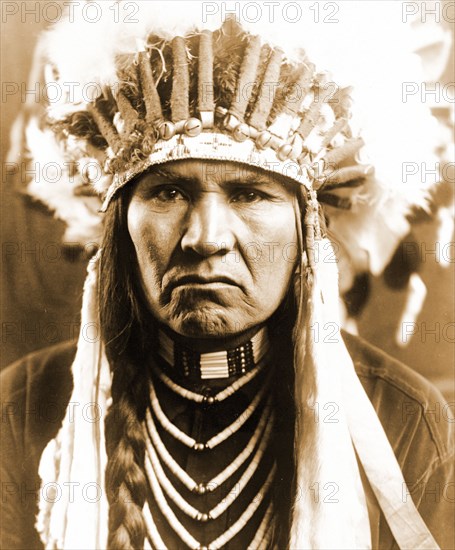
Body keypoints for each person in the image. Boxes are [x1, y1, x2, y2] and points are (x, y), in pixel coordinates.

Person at [1, 5, 453, 550]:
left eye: (248, 194)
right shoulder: (23, 406)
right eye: (168, 192)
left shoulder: (406, 417)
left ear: (309, 230)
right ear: (119, 225)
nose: (205, 237)